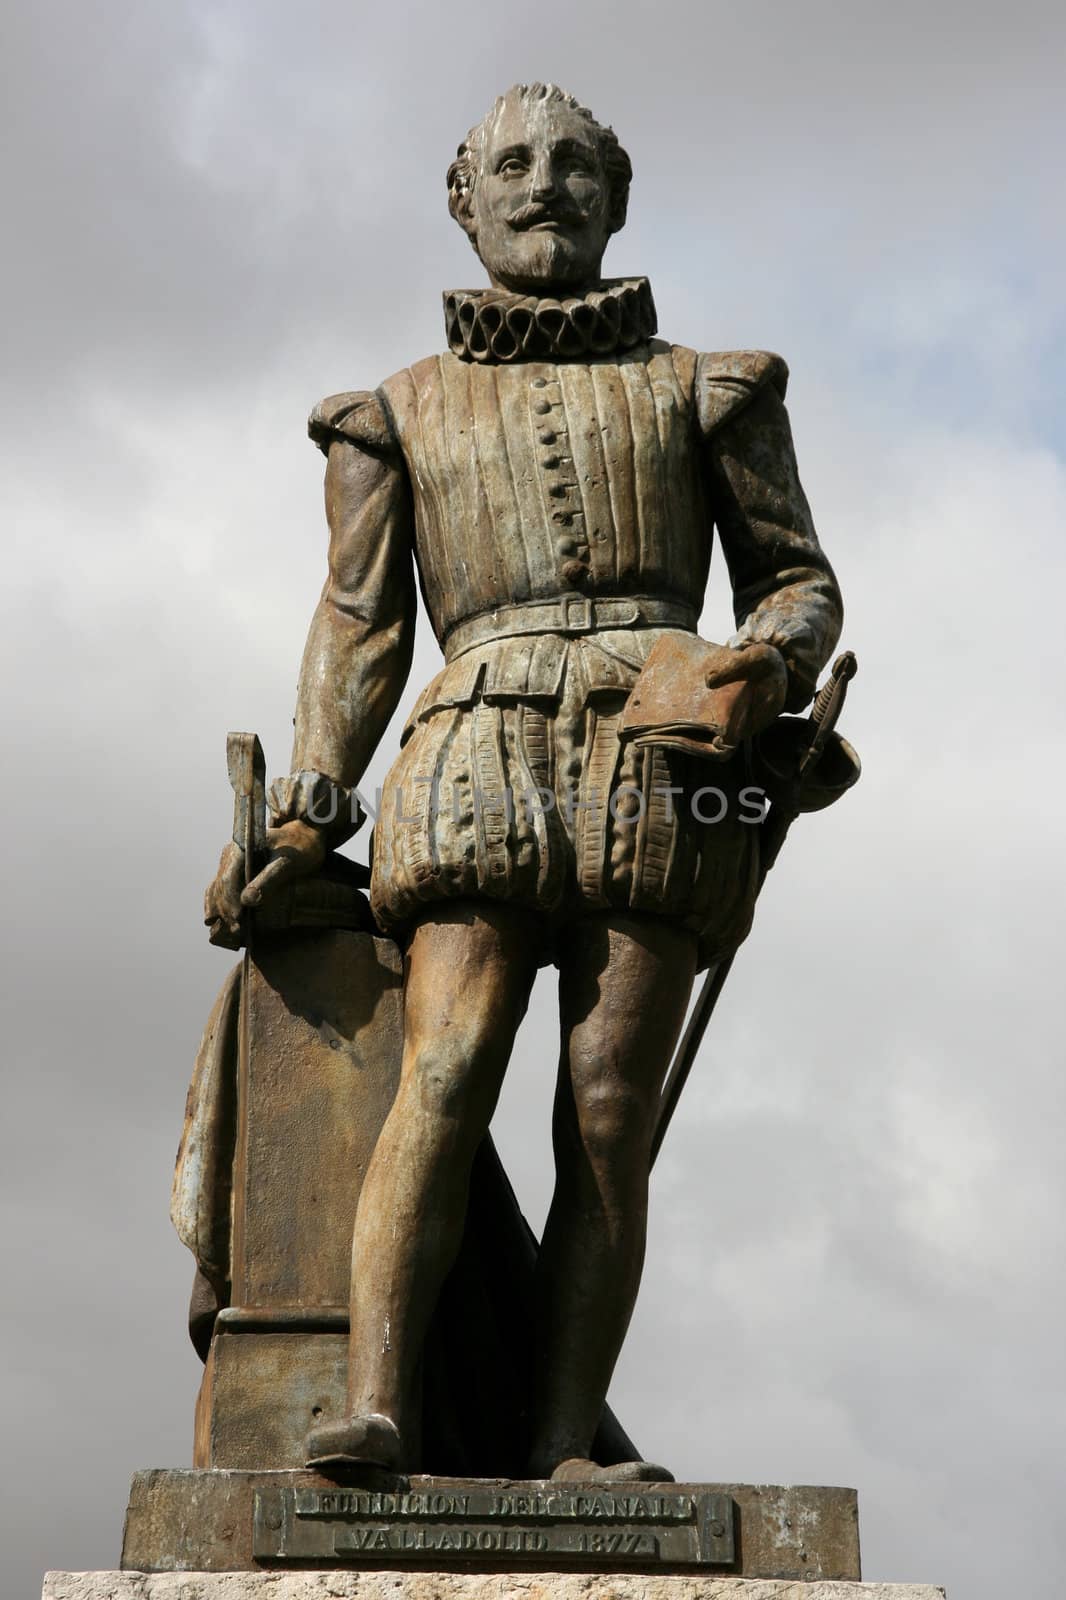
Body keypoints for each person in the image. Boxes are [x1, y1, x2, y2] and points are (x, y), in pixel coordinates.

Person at [204, 82, 843, 1481]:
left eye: (571, 165)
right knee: (440, 1073)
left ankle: (565, 1444)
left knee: (607, 1114)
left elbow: (797, 583)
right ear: (465, 199)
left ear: (615, 195)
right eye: (512, 164)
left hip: (659, 756)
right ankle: (377, 1399)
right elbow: (360, 624)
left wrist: (760, 666)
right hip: (476, 743)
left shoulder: (711, 388)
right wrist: (318, 789)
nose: (542, 183)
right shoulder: (393, 414)